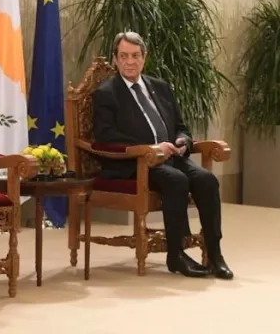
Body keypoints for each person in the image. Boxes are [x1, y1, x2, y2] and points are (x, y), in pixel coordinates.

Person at [92, 31, 233, 280]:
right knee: (176, 180)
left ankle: (215, 253)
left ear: (144, 57)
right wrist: (151, 148)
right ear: (115, 60)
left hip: (173, 157)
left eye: (135, 56)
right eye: (123, 56)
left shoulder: (160, 87)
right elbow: (106, 136)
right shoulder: (107, 93)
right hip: (136, 163)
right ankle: (176, 255)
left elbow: (181, 126)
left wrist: (182, 141)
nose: (130, 61)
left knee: (206, 179)